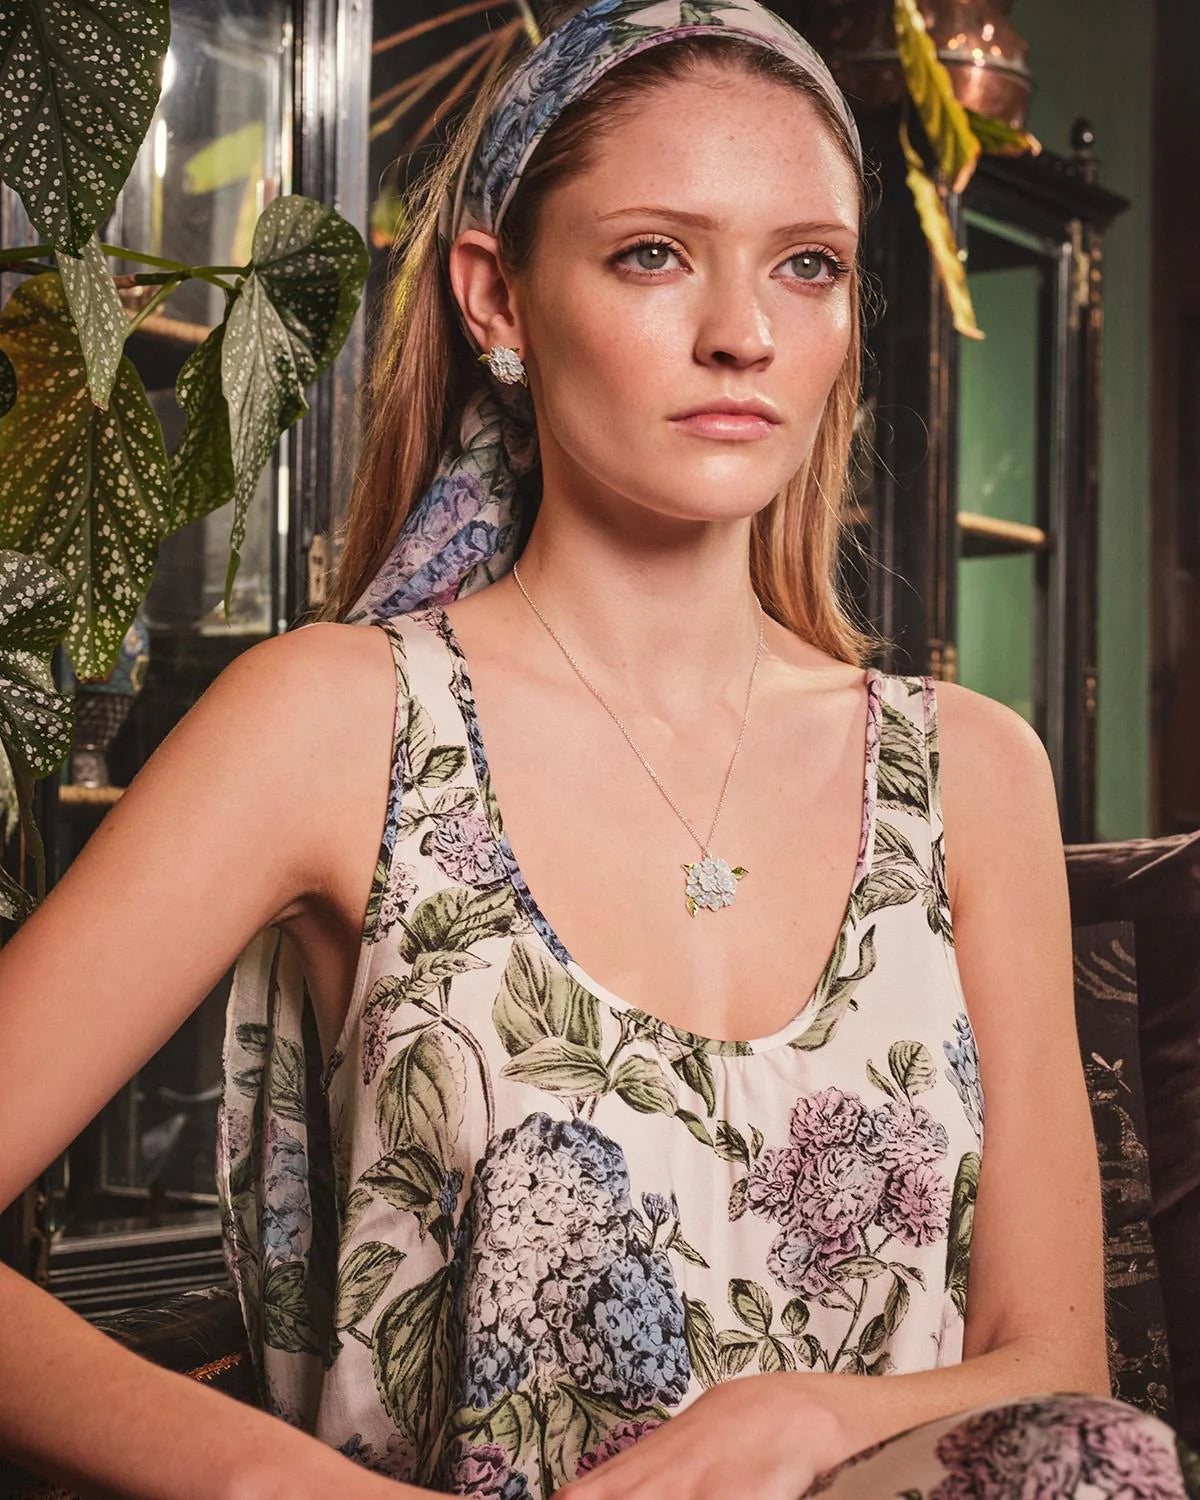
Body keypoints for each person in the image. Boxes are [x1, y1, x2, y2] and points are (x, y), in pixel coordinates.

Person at [0, 1, 1194, 1498]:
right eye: (653, 254)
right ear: (496, 298)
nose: (745, 332)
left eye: (808, 265)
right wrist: (281, 1487)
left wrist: (806, 1421)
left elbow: (1056, 1364)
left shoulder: (970, 769)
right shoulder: (334, 724)